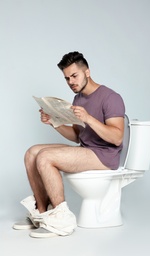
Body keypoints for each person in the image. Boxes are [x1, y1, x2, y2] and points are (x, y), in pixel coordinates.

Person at [13, 51, 125, 238]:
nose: (71, 82)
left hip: (105, 155)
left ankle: (61, 220)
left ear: (87, 72)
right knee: (31, 153)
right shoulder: (78, 98)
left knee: (45, 157)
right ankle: (42, 214)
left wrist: (88, 118)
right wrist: (54, 122)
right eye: (67, 78)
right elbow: (76, 136)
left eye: (74, 76)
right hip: (87, 150)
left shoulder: (111, 97)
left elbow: (117, 138)